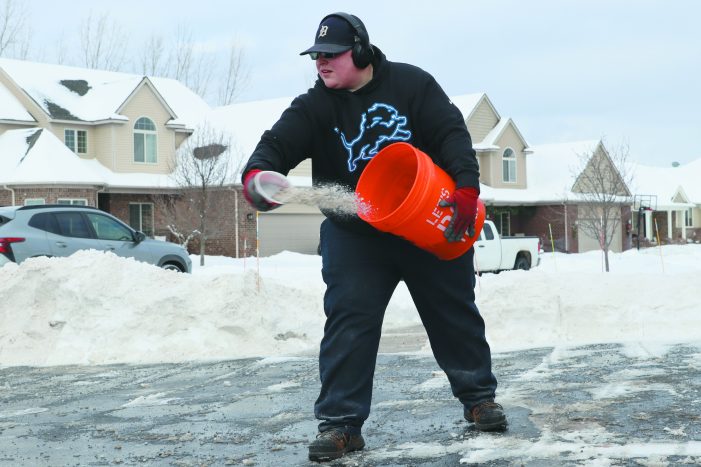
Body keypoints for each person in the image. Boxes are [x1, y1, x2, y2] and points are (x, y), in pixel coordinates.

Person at [241, 12, 506, 462]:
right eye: (316, 57)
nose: (320, 64)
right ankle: (341, 425)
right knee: (349, 321)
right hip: (356, 235)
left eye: (330, 55)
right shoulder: (315, 105)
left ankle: (479, 399)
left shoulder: (412, 85)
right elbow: (276, 145)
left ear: (360, 51)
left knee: (453, 312)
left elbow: (451, 133)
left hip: (425, 223)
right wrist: (257, 175)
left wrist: (465, 186)